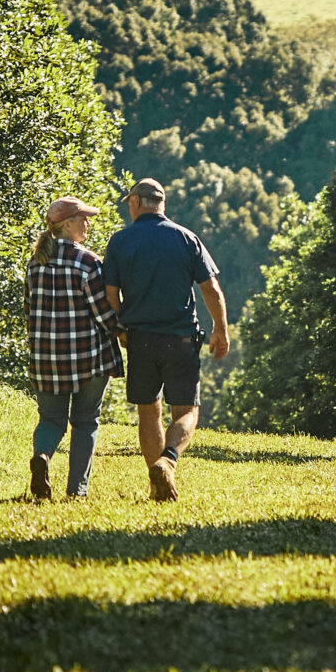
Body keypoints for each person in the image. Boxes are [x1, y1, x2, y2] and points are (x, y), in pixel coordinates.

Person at [100, 177, 227, 501]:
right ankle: (168, 461)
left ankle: (158, 483)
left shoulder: (120, 241)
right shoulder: (187, 238)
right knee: (187, 411)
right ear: (162, 203)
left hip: (140, 338)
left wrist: (120, 329)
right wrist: (220, 329)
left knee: (148, 412)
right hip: (181, 338)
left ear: (136, 202)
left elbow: (110, 294)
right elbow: (211, 289)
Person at [23, 195, 122, 500]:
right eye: (83, 219)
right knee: (85, 420)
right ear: (67, 225)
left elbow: (29, 310)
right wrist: (122, 333)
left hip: (45, 359)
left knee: (51, 419)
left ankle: (43, 455)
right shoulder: (88, 262)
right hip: (86, 359)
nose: (88, 224)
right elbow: (103, 313)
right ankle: (77, 490)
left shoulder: (35, 263)